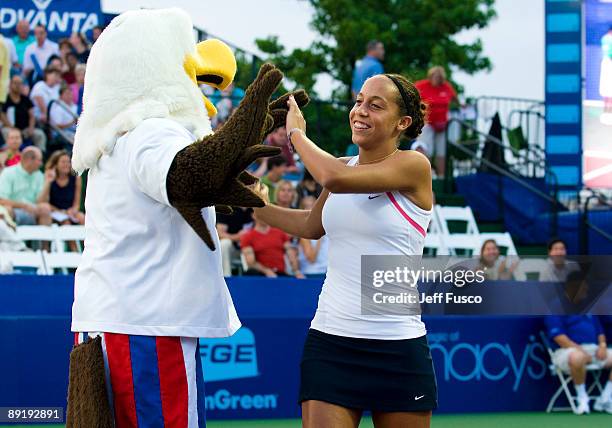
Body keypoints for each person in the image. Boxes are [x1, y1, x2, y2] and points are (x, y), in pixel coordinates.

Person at [252, 73, 436, 427]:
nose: (360, 111)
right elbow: (312, 226)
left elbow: (333, 178)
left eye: (375, 105)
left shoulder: (414, 166)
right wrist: (259, 208)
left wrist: (296, 135)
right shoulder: (343, 165)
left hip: (398, 346)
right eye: (358, 101)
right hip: (331, 342)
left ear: (403, 123)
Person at [545, 315, 612, 414]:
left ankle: (605, 399)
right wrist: (581, 351)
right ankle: (582, 399)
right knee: (578, 357)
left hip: (593, 349)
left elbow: (600, 332)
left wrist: (602, 346)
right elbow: (559, 338)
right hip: (566, 350)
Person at [414, 66, 457, 177]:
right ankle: (426, 175)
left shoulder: (446, 87)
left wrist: (461, 105)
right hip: (427, 122)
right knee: (426, 148)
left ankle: (441, 175)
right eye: (435, 77)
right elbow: (411, 93)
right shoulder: (422, 85)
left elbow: (454, 98)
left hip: (442, 124)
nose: (437, 79)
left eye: (439, 77)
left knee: (441, 150)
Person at [240, 210, 304, 278]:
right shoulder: (248, 237)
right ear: (254, 215)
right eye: (261, 214)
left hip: (280, 273)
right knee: (250, 273)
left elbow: (291, 254)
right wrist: (267, 271)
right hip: (261, 275)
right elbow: (251, 262)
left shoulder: (280, 233)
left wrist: (296, 271)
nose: (264, 216)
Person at [0, 146, 51, 226]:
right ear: (29, 160)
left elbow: (41, 202)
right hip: (14, 210)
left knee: (45, 207)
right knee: (6, 210)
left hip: (33, 211)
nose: (41, 164)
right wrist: (23, 206)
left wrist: (48, 182)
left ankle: (44, 238)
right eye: (39, 160)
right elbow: (2, 200)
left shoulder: (39, 175)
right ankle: (8, 238)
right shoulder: (8, 173)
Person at [37, 150, 84, 225]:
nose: (67, 164)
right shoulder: (50, 178)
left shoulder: (76, 179)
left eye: (68, 162)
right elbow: (42, 201)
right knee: (66, 222)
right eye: (63, 162)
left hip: (69, 212)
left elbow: (77, 203)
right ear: (56, 165)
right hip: (54, 212)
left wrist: (73, 210)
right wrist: (48, 182)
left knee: (82, 218)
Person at [0, 74, 46, 151]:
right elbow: (2, 115)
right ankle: (10, 154)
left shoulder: (26, 99)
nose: (18, 86)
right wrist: (12, 127)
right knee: (6, 132)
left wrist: (31, 128)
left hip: (25, 129)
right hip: (10, 128)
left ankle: (40, 155)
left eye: (20, 83)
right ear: (10, 84)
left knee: (39, 135)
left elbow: (32, 115)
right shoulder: (5, 99)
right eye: (15, 83)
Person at [216, 207, 253, 276]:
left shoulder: (255, 209)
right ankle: (225, 277)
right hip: (234, 248)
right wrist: (237, 237)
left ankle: (253, 278)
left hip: (250, 246)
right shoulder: (227, 208)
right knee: (224, 243)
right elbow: (220, 234)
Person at [297, 196, 328, 278]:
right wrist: (319, 239)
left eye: (313, 206)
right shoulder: (304, 234)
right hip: (312, 275)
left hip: (327, 274)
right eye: (307, 206)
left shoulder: (327, 229)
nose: (310, 209)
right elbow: (311, 258)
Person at [600, 26, 612, 124]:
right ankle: (609, 112)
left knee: (605, 86)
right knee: (609, 87)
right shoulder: (610, 39)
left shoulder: (603, 38)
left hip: (604, 62)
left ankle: (605, 111)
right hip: (609, 63)